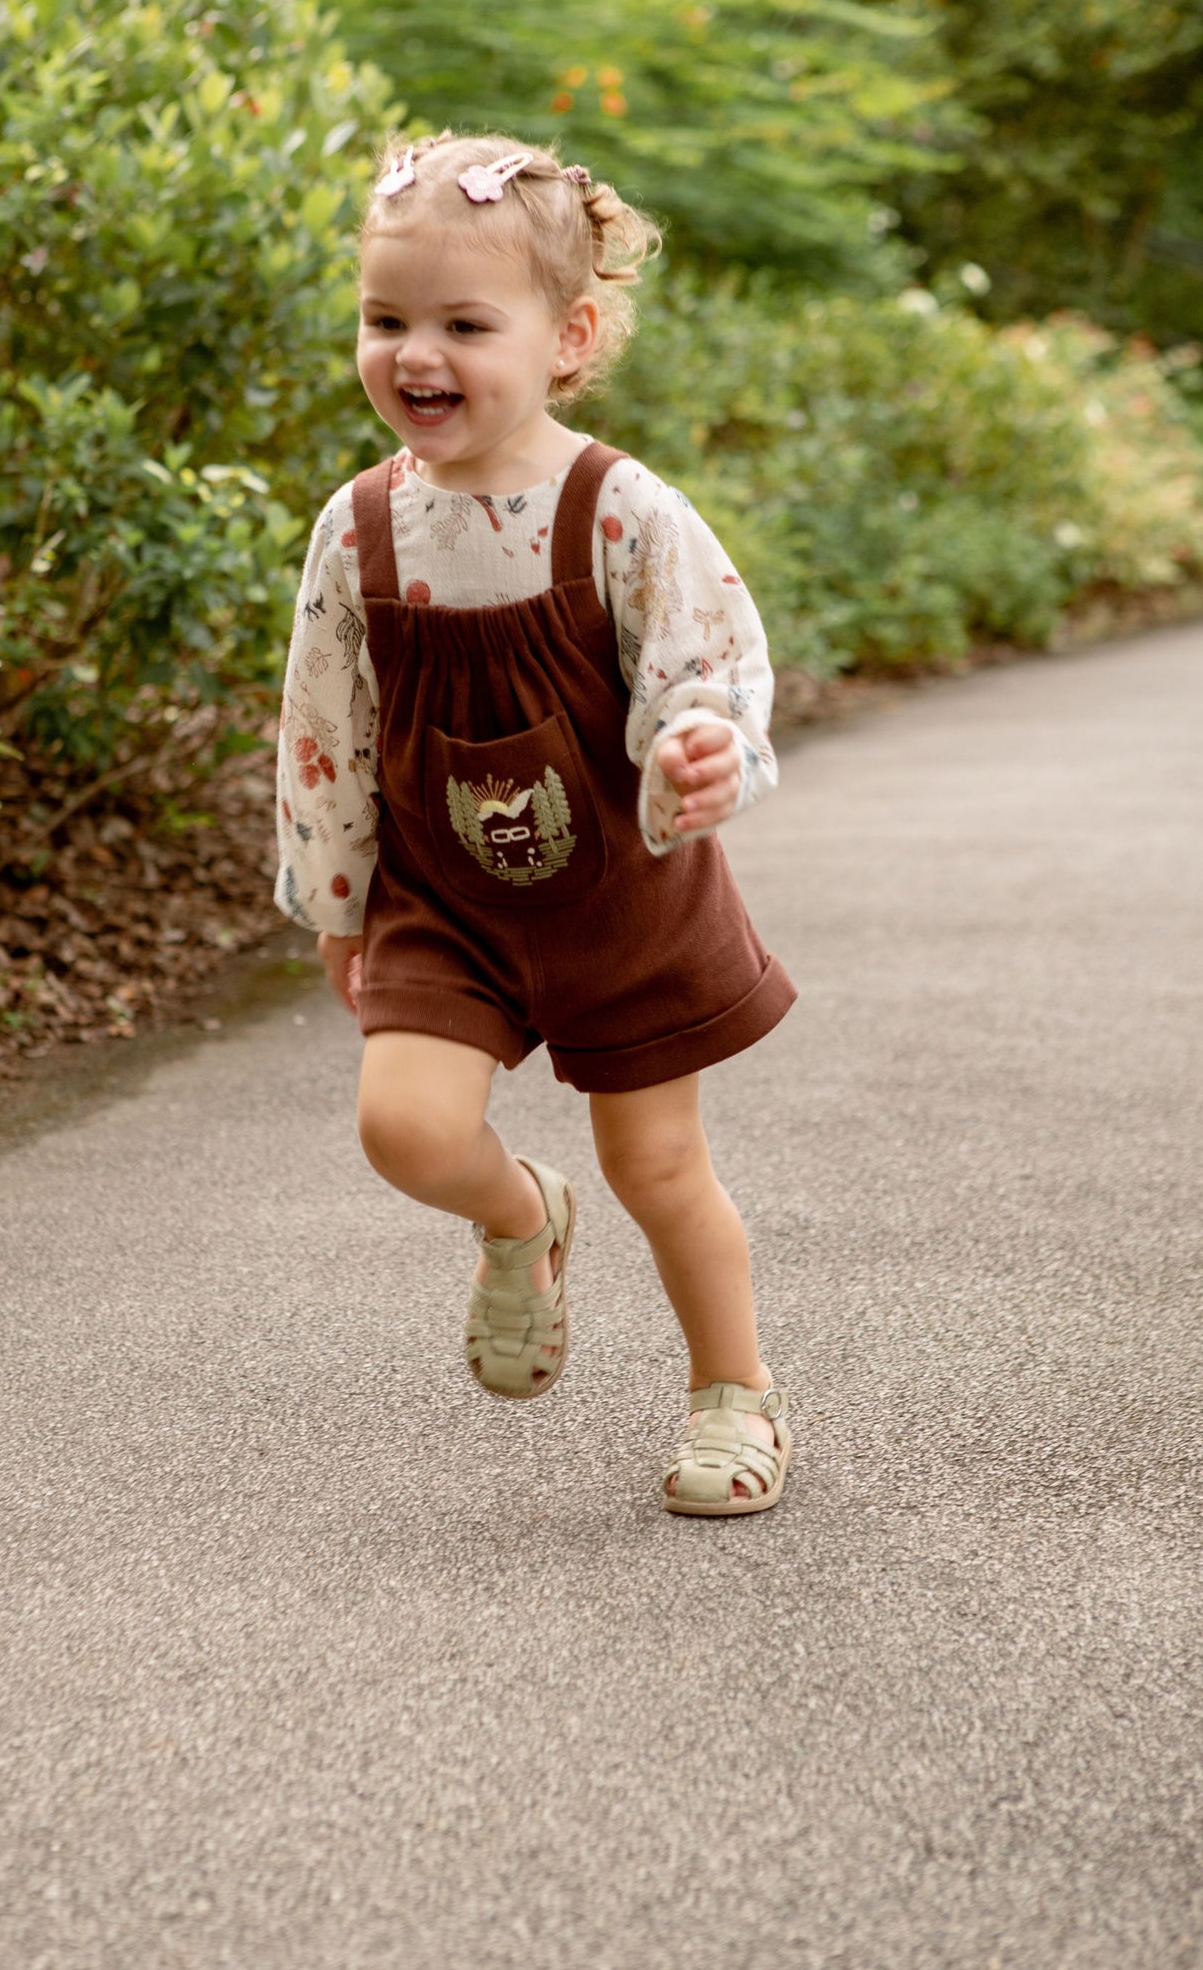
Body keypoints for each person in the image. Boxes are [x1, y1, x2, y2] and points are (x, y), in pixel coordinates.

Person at [275, 132, 797, 1514]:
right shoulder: (359, 527)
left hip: (621, 888)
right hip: (443, 900)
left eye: (461, 323)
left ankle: (731, 1395)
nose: (414, 354)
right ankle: (519, 1217)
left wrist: (699, 748)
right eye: (385, 321)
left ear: (566, 338)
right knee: (403, 1127)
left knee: (656, 1160)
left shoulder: (618, 510)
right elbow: (326, 718)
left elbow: (708, 667)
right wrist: (339, 902)